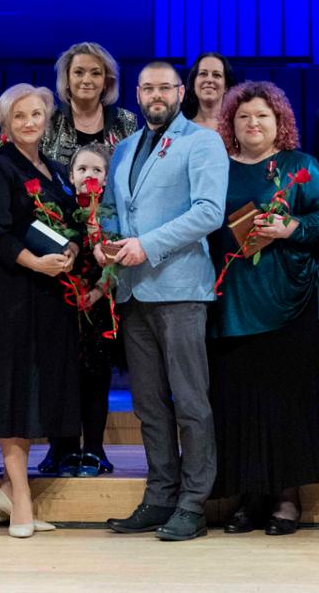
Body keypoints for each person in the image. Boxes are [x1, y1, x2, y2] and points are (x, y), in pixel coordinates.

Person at [99, 61, 228, 542]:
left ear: (180, 91)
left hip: (180, 289)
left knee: (191, 402)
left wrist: (147, 245)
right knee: (149, 405)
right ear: (137, 93)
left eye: (165, 87)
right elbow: (114, 209)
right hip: (132, 289)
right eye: (147, 88)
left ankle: (194, 503)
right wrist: (105, 241)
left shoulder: (203, 141)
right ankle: (159, 496)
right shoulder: (126, 147)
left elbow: (209, 212)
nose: (156, 95)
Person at [204, 81, 319, 536]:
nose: (253, 123)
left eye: (262, 115)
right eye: (243, 117)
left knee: (286, 400)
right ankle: (248, 495)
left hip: (288, 300)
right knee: (238, 399)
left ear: (279, 122)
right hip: (231, 299)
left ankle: (286, 497)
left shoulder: (299, 165)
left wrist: (291, 227)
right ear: (231, 124)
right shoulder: (217, 168)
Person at [0, 84, 82, 538]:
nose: (30, 122)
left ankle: (13, 492)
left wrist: (71, 249)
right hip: (9, 295)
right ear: (5, 123)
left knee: (32, 396)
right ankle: (22, 501)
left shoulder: (52, 169)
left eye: (36, 114)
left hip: (48, 295)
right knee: (13, 395)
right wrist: (36, 261)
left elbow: (67, 223)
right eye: (20, 116)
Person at [36, 143, 123, 478]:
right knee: (61, 380)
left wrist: (100, 290)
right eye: (82, 169)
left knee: (95, 381)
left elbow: (118, 263)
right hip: (63, 305)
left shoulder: (113, 215)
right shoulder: (59, 211)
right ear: (70, 176)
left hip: (98, 307)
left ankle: (95, 448)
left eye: (97, 170)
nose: (89, 176)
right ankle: (61, 447)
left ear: (106, 177)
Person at [40, 42, 139, 166]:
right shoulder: (48, 120)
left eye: (96, 73)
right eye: (78, 72)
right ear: (66, 79)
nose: (86, 80)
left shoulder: (126, 121)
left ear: (106, 82)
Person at [180, 52, 236, 132]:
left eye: (217, 75)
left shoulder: (236, 127)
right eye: (203, 74)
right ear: (193, 83)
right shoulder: (181, 129)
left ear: (226, 86)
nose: (209, 79)